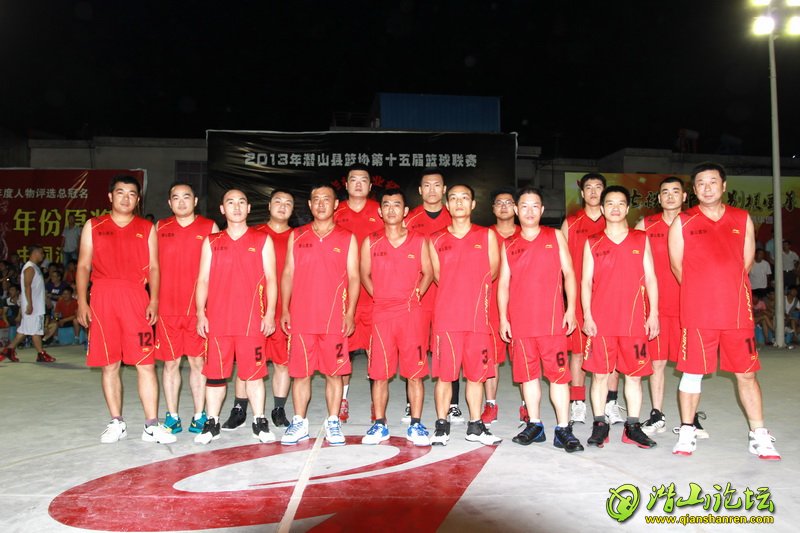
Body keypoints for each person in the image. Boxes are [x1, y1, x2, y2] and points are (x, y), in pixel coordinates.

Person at [670, 162, 780, 459]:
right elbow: (677, 267)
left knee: (747, 374)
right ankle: (687, 430)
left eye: (712, 182)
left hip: (736, 313)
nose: (707, 188)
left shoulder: (741, 218)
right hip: (698, 313)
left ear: (724, 185)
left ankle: (758, 434)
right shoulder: (683, 221)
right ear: (694, 189)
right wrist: (701, 291)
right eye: (701, 183)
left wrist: (727, 289)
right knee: (692, 373)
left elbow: (746, 262)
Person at [76, 175, 175, 444]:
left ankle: (151, 425)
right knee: (110, 364)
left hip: (135, 298)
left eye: (132, 194)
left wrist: (154, 300)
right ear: (110, 196)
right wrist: (82, 301)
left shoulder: (146, 227)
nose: (126, 198)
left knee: (146, 363)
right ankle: (116, 422)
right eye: (120, 192)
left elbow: (154, 267)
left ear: (138, 199)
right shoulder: (94, 225)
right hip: (103, 298)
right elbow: (83, 265)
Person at [497, 187, 583, 452]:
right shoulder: (509, 244)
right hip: (521, 324)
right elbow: (503, 284)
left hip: (552, 323)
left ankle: (563, 428)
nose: (529, 211)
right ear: (516, 210)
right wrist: (503, 318)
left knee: (559, 377)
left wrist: (571, 309)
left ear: (542, 210)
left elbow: (569, 273)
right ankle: (535, 425)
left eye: (535, 206)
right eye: (524, 206)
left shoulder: (554, 236)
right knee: (528, 376)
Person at [194, 189, 278, 445]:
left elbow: (272, 279)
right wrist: (200, 313)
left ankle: (259, 421)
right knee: (215, 375)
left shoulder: (262, 240)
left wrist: (270, 313)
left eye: (242, 202)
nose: (237, 206)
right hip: (218, 321)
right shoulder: (211, 241)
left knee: (253, 374)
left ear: (249, 208)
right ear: (222, 209)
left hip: (251, 321)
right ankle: (212, 423)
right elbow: (203, 280)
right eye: (230, 202)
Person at [280, 184, 360, 446]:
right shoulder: (297, 235)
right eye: (316, 199)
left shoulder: (347, 237)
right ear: (310, 205)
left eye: (327, 199)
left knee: (334, 373)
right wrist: (285, 309)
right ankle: (299, 422)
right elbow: (288, 273)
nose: (321, 204)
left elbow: (354, 277)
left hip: (334, 318)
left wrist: (350, 313)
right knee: (300, 373)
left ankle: (333, 421)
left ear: (336, 204)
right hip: (302, 317)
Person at [582, 185, 659, 450]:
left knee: (634, 376)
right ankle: (600, 424)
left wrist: (654, 313)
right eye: (610, 204)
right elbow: (585, 282)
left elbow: (651, 278)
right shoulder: (592, 242)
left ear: (627, 208)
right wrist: (587, 315)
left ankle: (633, 427)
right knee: (599, 376)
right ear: (602, 209)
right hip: (602, 322)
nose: (615, 208)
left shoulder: (641, 238)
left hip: (635, 321)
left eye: (620, 203)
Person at [360, 189, 434, 446]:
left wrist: (417, 293)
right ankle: (380, 424)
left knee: (415, 372)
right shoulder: (370, 241)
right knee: (379, 374)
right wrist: (379, 296)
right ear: (380, 211)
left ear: (405, 211)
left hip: (411, 314)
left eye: (397, 205)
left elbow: (428, 272)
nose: (391, 209)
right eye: (386, 205)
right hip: (382, 315)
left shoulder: (419, 240)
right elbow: (364, 274)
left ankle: (416, 424)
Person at [429, 184, 501, 446]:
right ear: (447, 205)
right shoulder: (435, 239)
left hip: (477, 319)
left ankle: (475, 426)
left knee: (476, 376)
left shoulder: (487, 235)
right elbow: (438, 276)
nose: (459, 203)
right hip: (447, 318)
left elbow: (493, 272)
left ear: (472, 204)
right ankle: (441, 425)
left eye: (464, 198)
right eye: (454, 198)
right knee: (445, 376)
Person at [155, 182, 219, 435]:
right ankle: (172, 416)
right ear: (169, 203)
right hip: (167, 309)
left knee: (198, 363)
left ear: (195, 201)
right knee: (170, 364)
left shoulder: (209, 227)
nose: (181, 202)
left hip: (198, 310)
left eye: (186, 197)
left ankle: (199, 415)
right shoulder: (160, 228)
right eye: (176, 198)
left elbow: (217, 271)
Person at [561, 173, 623, 425]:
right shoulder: (571, 223)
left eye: (598, 187)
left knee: (612, 354)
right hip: (579, 298)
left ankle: (611, 402)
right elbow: (563, 266)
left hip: (611, 299)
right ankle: (577, 403)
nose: (594, 192)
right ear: (582, 193)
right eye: (589, 188)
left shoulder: (615, 221)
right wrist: (566, 302)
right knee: (577, 352)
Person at [405, 169, 464, 425]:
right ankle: (411, 403)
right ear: (420, 190)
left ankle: (453, 404)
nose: (432, 190)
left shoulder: (455, 216)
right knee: (413, 349)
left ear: (444, 189)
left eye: (437, 185)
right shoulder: (410, 219)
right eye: (426, 185)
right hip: (418, 296)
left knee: (451, 350)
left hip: (448, 297)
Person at [634, 176, 685, 435]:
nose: (670, 196)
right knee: (657, 362)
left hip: (688, 305)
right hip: (655, 306)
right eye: (665, 192)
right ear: (659, 197)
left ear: (684, 196)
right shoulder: (645, 225)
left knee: (690, 364)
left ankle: (690, 419)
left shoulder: (693, 223)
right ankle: (657, 414)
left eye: (675, 191)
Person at [332, 164, 383, 423]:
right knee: (343, 354)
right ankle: (342, 401)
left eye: (364, 180)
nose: (359, 184)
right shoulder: (335, 211)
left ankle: (377, 404)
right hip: (343, 296)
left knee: (377, 353)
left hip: (375, 295)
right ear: (346, 184)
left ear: (370, 185)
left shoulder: (381, 211)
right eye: (354, 179)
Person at [482, 187, 519, 426]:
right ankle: (490, 404)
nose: (504, 206)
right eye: (499, 203)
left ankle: (527, 406)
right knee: (491, 358)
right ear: (493, 208)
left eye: (508, 202)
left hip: (522, 305)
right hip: (492, 305)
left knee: (523, 358)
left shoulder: (528, 233)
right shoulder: (484, 235)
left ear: (516, 207)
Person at [0, 245, 55, 363]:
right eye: (41, 253)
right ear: (34, 253)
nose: (43, 255)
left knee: (25, 331)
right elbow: (27, 286)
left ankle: (8, 350)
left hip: (36, 305)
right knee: (35, 331)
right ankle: (41, 354)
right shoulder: (30, 268)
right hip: (33, 307)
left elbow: (37, 288)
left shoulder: (35, 267)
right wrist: (29, 304)